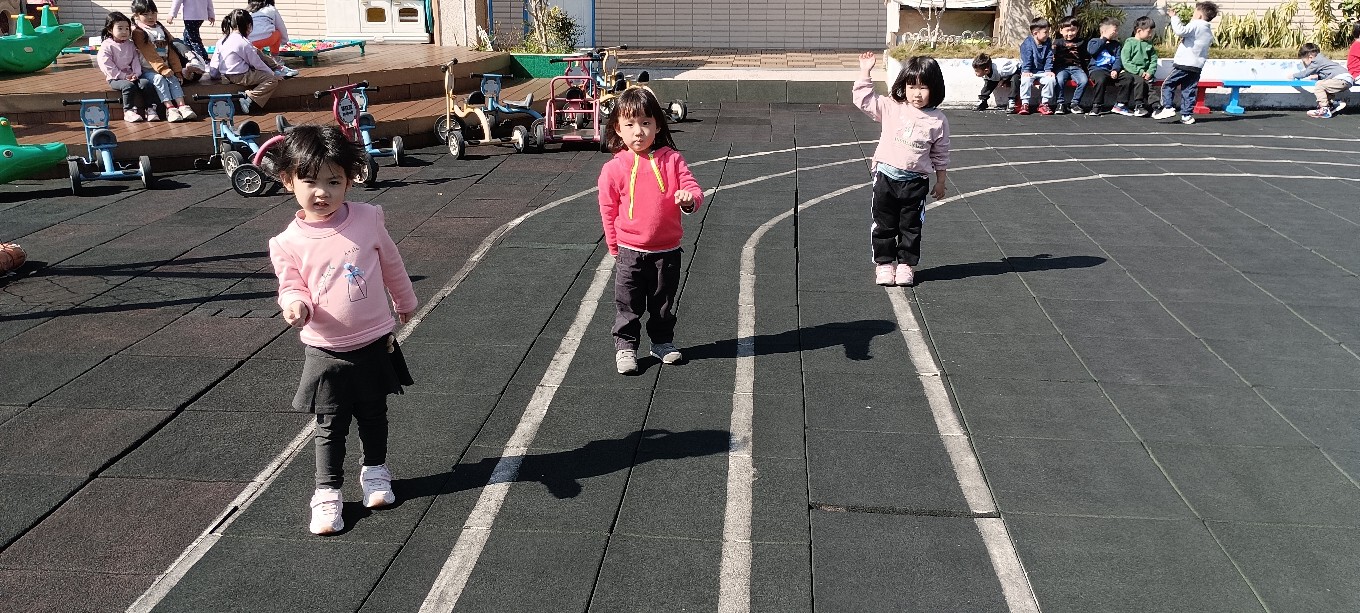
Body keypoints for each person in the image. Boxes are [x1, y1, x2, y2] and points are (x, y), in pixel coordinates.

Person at [267, 124, 418, 536]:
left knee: (374, 413)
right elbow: (291, 285)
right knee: (330, 424)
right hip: (326, 348)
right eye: (310, 181)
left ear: (350, 180)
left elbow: (391, 262)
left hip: (374, 339)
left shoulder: (368, 218)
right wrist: (294, 305)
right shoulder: (287, 242)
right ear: (288, 181)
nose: (323, 192)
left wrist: (405, 301)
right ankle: (327, 491)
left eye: (334, 181)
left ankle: (375, 471)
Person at [597, 87, 703, 375]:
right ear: (617, 128)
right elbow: (608, 210)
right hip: (630, 251)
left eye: (646, 123)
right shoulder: (614, 169)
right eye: (630, 124)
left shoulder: (672, 160)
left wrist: (689, 199)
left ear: (658, 125)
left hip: (667, 251)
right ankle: (625, 346)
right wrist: (614, 246)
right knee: (628, 303)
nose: (638, 131)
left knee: (663, 303)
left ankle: (662, 342)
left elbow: (692, 188)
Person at [853, 52, 949, 288]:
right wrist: (865, 71)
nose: (917, 93)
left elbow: (940, 154)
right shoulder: (891, 107)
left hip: (915, 182)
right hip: (886, 177)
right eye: (911, 86)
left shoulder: (938, 120)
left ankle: (906, 264)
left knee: (911, 227)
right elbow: (864, 101)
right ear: (903, 86)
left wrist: (941, 181)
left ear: (935, 88)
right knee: (883, 223)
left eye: (923, 87)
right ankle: (884, 264)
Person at [130, 0, 199, 122]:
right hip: (147, 70)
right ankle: (170, 108)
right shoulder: (138, 31)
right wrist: (162, 69)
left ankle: (182, 106)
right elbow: (149, 53)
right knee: (159, 79)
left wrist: (177, 70)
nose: (150, 17)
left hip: (166, 68)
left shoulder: (160, 28)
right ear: (136, 15)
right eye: (145, 14)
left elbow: (171, 51)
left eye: (153, 13)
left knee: (173, 79)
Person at [1153, 1, 1217, 124]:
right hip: (1197, 66)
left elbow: (1180, 31)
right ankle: (1186, 115)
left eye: (1194, 13)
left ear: (1199, 15)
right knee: (1189, 90)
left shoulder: (1196, 24)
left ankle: (1167, 107)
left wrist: (1174, 17)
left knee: (1168, 85)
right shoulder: (1208, 31)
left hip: (1184, 64)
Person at [209, 9, 282, 114]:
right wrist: (272, 74)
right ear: (247, 26)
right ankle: (248, 97)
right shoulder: (243, 43)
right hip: (241, 75)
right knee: (272, 80)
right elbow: (257, 64)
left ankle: (275, 66)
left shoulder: (223, 40)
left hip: (227, 74)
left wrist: (213, 74)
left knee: (256, 51)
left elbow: (215, 60)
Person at [96, 12, 156, 123]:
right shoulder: (106, 46)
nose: (124, 32)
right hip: (115, 78)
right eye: (120, 28)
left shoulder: (130, 44)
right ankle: (128, 111)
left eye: (127, 28)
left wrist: (136, 74)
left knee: (145, 83)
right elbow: (107, 66)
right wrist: (123, 76)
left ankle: (150, 109)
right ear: (110, 30)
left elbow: (135, 60)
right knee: (128, 86)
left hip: (132, 75)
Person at [1114, 16, 1159, 116]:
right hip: (1133, 72)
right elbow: (1126, 61)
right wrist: (1140, 72)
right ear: (1139, 31)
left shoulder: (1149, 45)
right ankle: (1139, 105)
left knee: (1150, 84)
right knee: (1139, 81)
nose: (1150, 34)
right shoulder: (1129, 43)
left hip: (1146, 73)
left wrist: (1150, 72)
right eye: (1149, 32)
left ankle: (1156, 106)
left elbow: (1153, 60)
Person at [1293, 43, 1352, 118]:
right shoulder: (1322, 60)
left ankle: (1324, 109)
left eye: (1304, 62)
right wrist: (1318, 76)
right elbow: (1328, 72)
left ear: (1310, 57)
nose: (1305, 65)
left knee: (1319, 85)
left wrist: (1293, 75)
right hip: (1346, 79)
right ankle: (1331, 104)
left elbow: (1306, 73)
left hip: (1341, 79)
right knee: (1325, 86)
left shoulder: (1316, 61)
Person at [247, 0, 299, 77]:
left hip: (250, 41)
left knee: (257, 48)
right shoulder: (271, 8)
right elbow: (280, 26)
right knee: (277, 32)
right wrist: (285, 41)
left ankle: (258, 59)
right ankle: (275, 58)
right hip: (267, 39)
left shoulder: (248, 11)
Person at [1085, 17, 1124, 116]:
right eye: (1114, 31)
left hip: (1111, 71)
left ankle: (1121, 104)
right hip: (1097, 70)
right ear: (1105, 31)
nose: (1116, 33)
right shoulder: (1094, 41)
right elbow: (1092, 51)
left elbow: (1118, 58)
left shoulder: (1117, 45)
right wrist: (1104, 39)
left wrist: (1115, 69)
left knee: (1127, 78)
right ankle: (1097, 105)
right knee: (1101, 79)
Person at [1051, 16, 1089, 115]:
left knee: (1083, 81)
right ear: (1061, 30)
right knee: (1059, 80)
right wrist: (1051, 70)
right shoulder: (1057, 42)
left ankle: (1074, 103)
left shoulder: (1081, 42)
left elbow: (1084, 57)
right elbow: (1052, 56)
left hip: (1077, 68)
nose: (1070, 33)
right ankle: (1060, 103)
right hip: (1061, 68)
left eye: (1073, 30)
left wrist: (1086, 71)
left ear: (1077, 29)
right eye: (1067, 30)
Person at [1018, 18, 1056, 115]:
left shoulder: (1048, 42)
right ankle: (1025, 103)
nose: (1047, 35)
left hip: (1042, 71)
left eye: (1048, 32)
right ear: (1035, 33)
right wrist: (1026, 70)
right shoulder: (1027, 43)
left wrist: (1048, 70)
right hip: (1030, 70)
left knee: (1050, 80)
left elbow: (1049, 56)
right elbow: (1027, 58)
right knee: (1025, 80)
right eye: (1045, 32)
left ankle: (1044, 103)